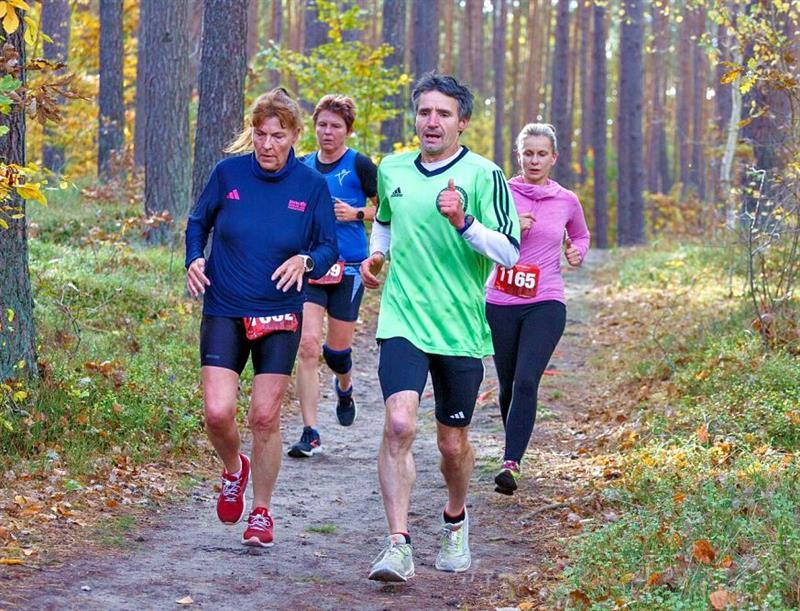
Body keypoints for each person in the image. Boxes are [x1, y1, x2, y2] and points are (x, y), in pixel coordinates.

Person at [360, 72, 521, 582]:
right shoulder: (393, 168)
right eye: (425, 112)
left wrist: (464, 223)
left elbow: (510, 251)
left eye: (443, 114)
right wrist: (377, 254)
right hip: (402, 316)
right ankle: (397, 545)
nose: (432, 122)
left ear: (462, 122)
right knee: (401, 425)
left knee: (452, 445)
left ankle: (455, 519)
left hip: (458, 328)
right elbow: (384, 219)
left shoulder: (483, 174)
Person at [185, 88, 338, 547]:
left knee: (265, 418)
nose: (267, 144)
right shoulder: (228, 172)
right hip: (225, 306)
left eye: (278, 135)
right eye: (260, 133)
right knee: (217, 413)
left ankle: (262, 512)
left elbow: (328, 245)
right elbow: (198, 221)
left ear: (294, 135)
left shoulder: (312, 186)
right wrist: (194, 258)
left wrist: (306, 262)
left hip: (278, 313)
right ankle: (235, 469)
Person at [485, 123, 590, 495]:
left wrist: (577, 251)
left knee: (527, 380)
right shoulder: (501, 192)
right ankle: (513, 446)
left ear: (553, 158)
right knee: (507, 385)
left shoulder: (566, 200)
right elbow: (477, 234)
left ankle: (510, 463)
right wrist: (511, 226)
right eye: (528, 153)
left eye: (541, 153)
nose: (534, 160)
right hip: (500, 300)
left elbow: (579, 233)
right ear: (519, 156)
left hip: (546, 300)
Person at [288, 95, 379, 458]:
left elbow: (387, 209)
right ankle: (310, 432)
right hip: (311, 266)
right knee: (308, 345)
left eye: (335, 126)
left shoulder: (360, 164)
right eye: (322, 125)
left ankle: (345, 385)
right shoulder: (303, 165)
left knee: (335, 350)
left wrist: (356, 214)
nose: (328, 132)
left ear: (348, 130)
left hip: (350, 269)